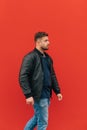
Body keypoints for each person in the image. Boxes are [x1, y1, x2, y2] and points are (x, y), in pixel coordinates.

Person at [19, 32, 63, 130]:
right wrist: (28, 95)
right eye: (46, 40)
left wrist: (57, 91)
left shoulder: (47, 58)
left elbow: (52, 75)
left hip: (47, 95)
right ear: (38, 42)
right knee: (43, 123)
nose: (49, 42)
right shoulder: (30, 57)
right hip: (39, 95)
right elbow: (23, 76)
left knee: (37, 118)